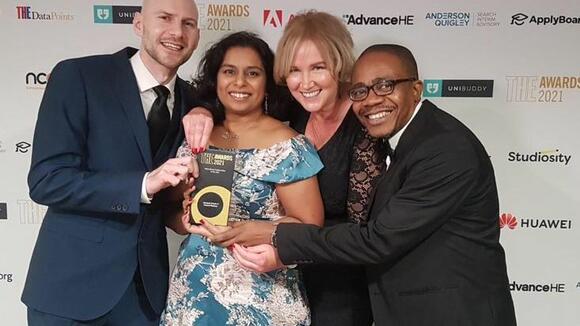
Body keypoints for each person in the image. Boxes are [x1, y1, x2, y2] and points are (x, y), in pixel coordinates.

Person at [209, 44, 518, 326]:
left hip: (455, 314)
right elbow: (243, 109)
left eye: (385, 86)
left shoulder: (444, 148)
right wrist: (200, 112)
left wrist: (276, 233)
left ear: (416, 89)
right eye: (359, 91)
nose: (371, 100)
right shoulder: (405, 140)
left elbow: (378, 239)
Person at [182, 11, 375, 325]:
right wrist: (201, 109)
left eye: (318, 67)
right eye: (296, 70)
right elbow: (236, 100)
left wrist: (270, 236)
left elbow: (365, 233)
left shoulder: (362, 126)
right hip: (222, 283)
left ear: (339, 66)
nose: (306, 82)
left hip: (333, 281)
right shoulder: (299, 108)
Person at [21, 0, 201, 325]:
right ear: (138, 24)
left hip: (145, 296)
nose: (177, 32)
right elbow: (48, 179)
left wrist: (180, 217)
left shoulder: (193, 101)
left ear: (197, 35)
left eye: (188, 24)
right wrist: (142, 185)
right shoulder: (79, 76)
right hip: (71, 289)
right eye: (165, 18)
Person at [160, 31, 324, 326]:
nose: (239, 83)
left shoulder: (289, 145)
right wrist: (183, 220)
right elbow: (170, 211)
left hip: (262, 294)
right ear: (215, 79)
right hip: (194, 293)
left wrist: (253, 230)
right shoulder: (197, 137)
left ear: (268, 83)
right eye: (229, 72)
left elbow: (310, 229)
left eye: (252, 73)